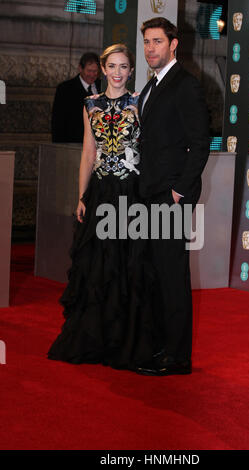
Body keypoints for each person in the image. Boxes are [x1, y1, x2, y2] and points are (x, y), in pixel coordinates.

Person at [48, 44, 156, 370]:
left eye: (124, 66)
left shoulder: (139, 102)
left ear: (131, 70)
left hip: (131, 193)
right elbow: (87, 153)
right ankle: (95, 338)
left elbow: (148, 151)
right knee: (97, 265)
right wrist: (81, 196)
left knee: (127, 264)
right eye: (113, 66)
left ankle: (125, 338)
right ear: (103, 68)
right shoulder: (90, 104)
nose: (118, 72)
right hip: (100, 193)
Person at [136, 17, 210, 376]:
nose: (151, 48)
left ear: (174, 44)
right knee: (153, 273)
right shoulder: (151, 86)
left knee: (171, 275)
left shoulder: (186, 85)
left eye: (157, 42)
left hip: (170, 197)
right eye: (147, 42)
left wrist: (179, 192)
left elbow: (200, 143)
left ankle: (177, 356)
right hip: (148, 194)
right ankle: (159, 347)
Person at [51, 52, 101, 143]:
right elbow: (58, 122)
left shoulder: (102, 87)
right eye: (89, 71)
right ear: (80, 69)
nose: (92, 75)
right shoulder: (65, 89)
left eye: (95, 71)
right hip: (74, 143)